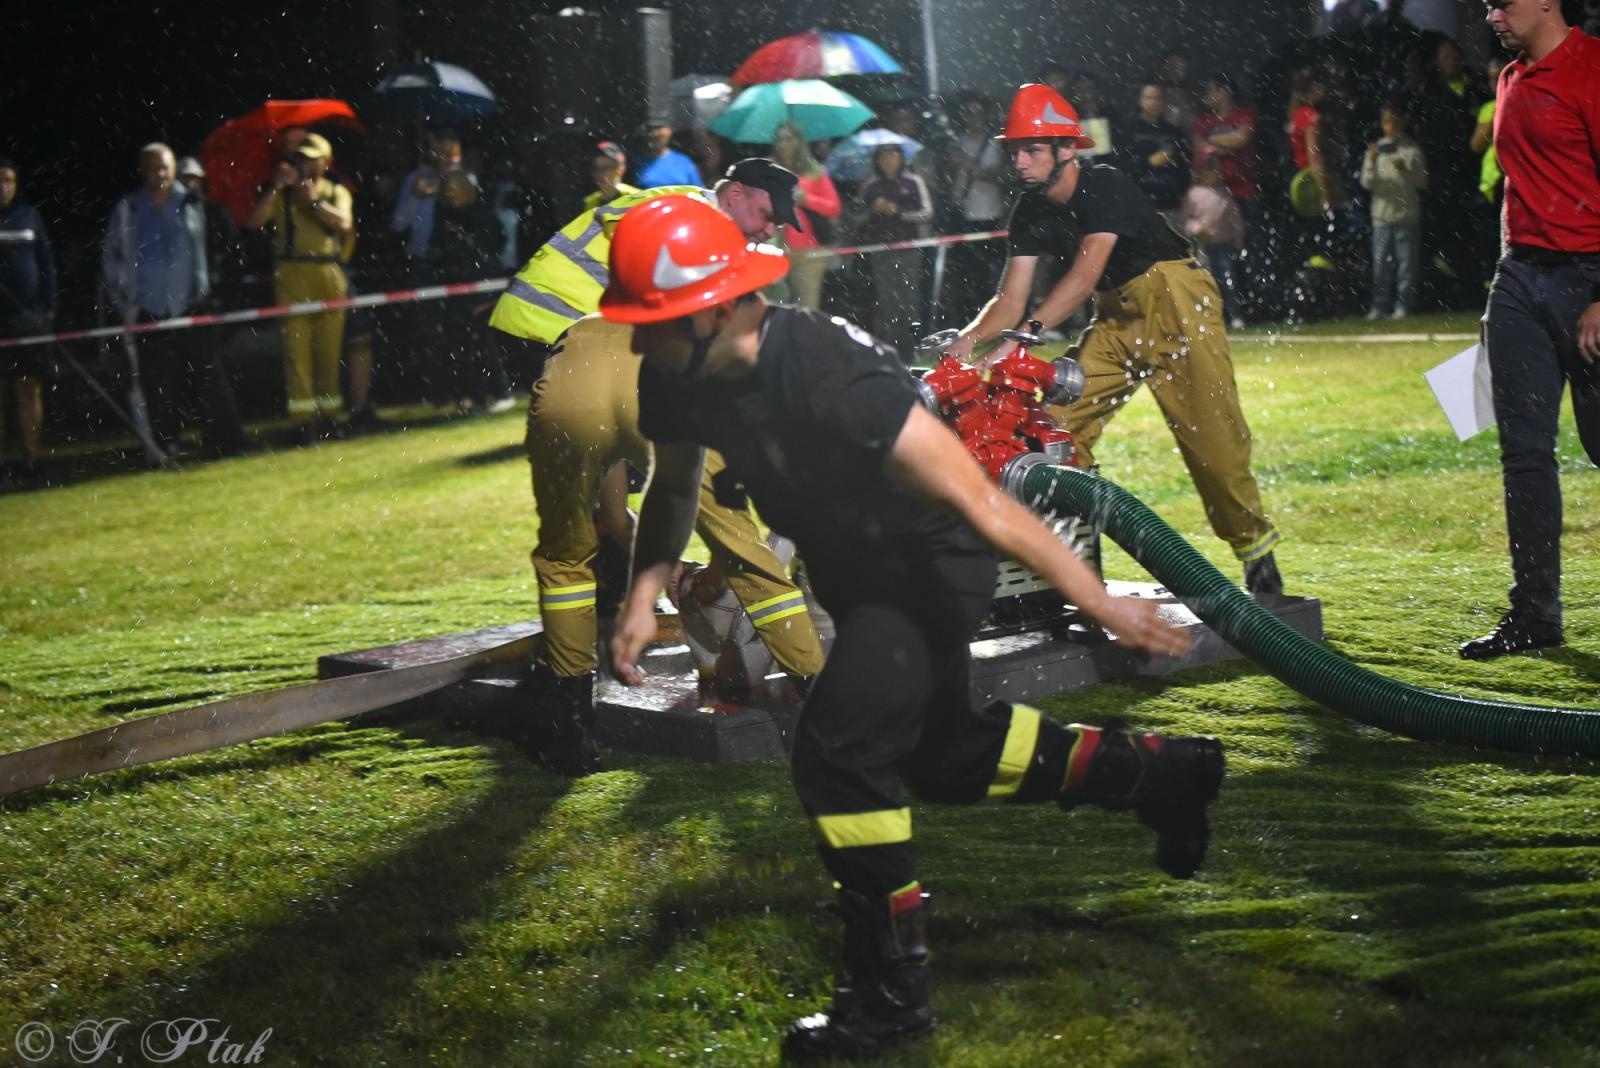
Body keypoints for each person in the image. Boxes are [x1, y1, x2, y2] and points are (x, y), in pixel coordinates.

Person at [602, 195, 1224, 1060]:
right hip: (858, 574)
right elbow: (673, 486)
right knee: (949, 755)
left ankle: (891, 998)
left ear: (711, 310)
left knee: (840, 751)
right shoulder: (680, 373)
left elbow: (977, 498)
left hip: (932, 567)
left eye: (652, 323)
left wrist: (1100, 599)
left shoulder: (826, 371)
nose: (637, 341)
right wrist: (645, 592)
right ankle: (1164, 777)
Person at [491, 158, 828, 774]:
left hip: (578, 357)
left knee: (566, 555)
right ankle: (828, 708)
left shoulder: (673, 227)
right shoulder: (700, 229)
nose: (768, 232)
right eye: (765, 217)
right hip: (657, 367)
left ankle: (571, 733)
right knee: (748, 554)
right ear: (733, 193)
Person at [945, 83, 1284, 595]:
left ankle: (1256, 553)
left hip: (1175, 302)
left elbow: (1082, 276)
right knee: (1052, 425)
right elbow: (1010, 300)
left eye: (1032, 149)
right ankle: (1065, 558)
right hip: (1117, 316)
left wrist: (1026, 337)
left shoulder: (1105, 184)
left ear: (1067, 150)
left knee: (1212, 441)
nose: (1019, 160)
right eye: (1015, 149)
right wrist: (967, 342)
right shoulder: (1030, 209)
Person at [1460, 0, 1600, 659]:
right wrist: (1504, 292)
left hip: (1588, 280)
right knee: (1524, 454)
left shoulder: (1593, 69)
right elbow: (1520, 185)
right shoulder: (1510, 77)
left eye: (1502, 3)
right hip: (1519, 278)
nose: (1492, 15)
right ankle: (1535, 616)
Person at [103, 143, 245, 460]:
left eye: (166, 166)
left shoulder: (194, 202)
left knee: (206, 375)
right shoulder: (129, 208)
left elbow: (214, 249)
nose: (161, 173)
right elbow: (111, 256)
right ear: (142, 171)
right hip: (146, 308)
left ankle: (224, 441)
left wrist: (211, 293)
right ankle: (165, 444)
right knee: (156, 380)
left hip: (191, 304)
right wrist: (123, 300)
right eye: (154, 167)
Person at [246, 132, 354, 443]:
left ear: (326, 162)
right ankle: (303, 423)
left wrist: (315, 203)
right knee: (296, 352)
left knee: (330, 350)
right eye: (301, 157)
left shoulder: (335, 191)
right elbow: (254, 221)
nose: (305, 163)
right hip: (292, 275)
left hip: (328, 272)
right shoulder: (282, 194)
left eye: (312, 157)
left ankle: (330, 417)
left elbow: (345, 223)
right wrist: (277, 186)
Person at [0, 157, 55, 486]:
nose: (3, 186)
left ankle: (31, 462)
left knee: (28, 390)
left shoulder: (29, 216)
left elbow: (47, 263)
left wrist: (47, 308)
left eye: (8, 180)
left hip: (29, 320)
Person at [855, 142, 933, 357]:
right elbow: (854, 218)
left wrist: (897, 211)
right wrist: (873, 211)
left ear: (901, 158)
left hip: (909, 249)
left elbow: (927, 213)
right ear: (877, 161)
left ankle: (912, 348)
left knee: (909, 299)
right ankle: (888, 350)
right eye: (883, 156)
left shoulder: (914, 181)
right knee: (886, 302)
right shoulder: (870, 185)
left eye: (893, 155)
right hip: (880, 251)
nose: (888, 160)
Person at [938, 92, 1010, 324]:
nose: (973, 118)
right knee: (964, 272)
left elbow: (1007, 176)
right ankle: (969, 318)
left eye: (978, 112)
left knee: (991, 272)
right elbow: (946, 182)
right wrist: (950, 166)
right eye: (968, 113)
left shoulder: (997, 142)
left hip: (989, 214)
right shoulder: (955, 141)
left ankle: (993, 319)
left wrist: (975, 169)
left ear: (987, 114)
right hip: (962, 214)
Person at [1360, 102, 1428, 320]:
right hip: (1381, 216)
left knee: (1406, 266)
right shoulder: (1375, 151)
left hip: (1406, 215)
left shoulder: (1411, 150)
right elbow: (1366, 182)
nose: (1391, 126)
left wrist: (1405, 170)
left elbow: (1422, 182)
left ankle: (1403, 307)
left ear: (1402, 123)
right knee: (1380, 266)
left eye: (1395, 121)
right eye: (1387, 122)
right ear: (1382, 124)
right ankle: (1379, 307)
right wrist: (1371, 162)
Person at [769, 121, 841, 309]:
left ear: (799, 142)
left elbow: (834, 208)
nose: (783, 144)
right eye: (779, 139)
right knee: (775, 309)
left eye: (788, 139)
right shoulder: (768, 170)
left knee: (807, 309)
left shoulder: (815, 172)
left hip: (809, 252)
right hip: (775, 250)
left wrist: (806, 199)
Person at [1184, 149, 1247, 329]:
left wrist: (1238, 239)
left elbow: (1235, 218)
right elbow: (1187, 221)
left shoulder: (1224, 194)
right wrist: (1197, 230)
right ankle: (1209, 316)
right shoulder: (1194, 194)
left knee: (1228, 281)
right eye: (1210, 169)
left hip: (1224, 245)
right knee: (1205, 283)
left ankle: (1234, 314)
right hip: (1204, 246)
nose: (1214, 174)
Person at [1118, 83, 1191, 220]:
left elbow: (1185, 167)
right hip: (1137, 203)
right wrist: (1149, 162)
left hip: (1170, 203)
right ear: (1140, 100)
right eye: (1149, 98)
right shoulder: (1127, 131)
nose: (1154, 102)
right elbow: (1121, 167)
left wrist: (1179, 191)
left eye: (1158, 98)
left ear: (1164, 102)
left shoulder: (1174, 132)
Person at [634, 121, 701, 188]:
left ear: (670, 130)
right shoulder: (635, 162)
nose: (655, 133)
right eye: (650, 129)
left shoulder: (684, 162)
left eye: (659, 128)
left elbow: (699, 192)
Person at [582, 141, 636, 213]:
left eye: (607, 168)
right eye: (596, 168)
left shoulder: (636, 197)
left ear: (620, 169)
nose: (600, 173)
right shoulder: (589, 202)